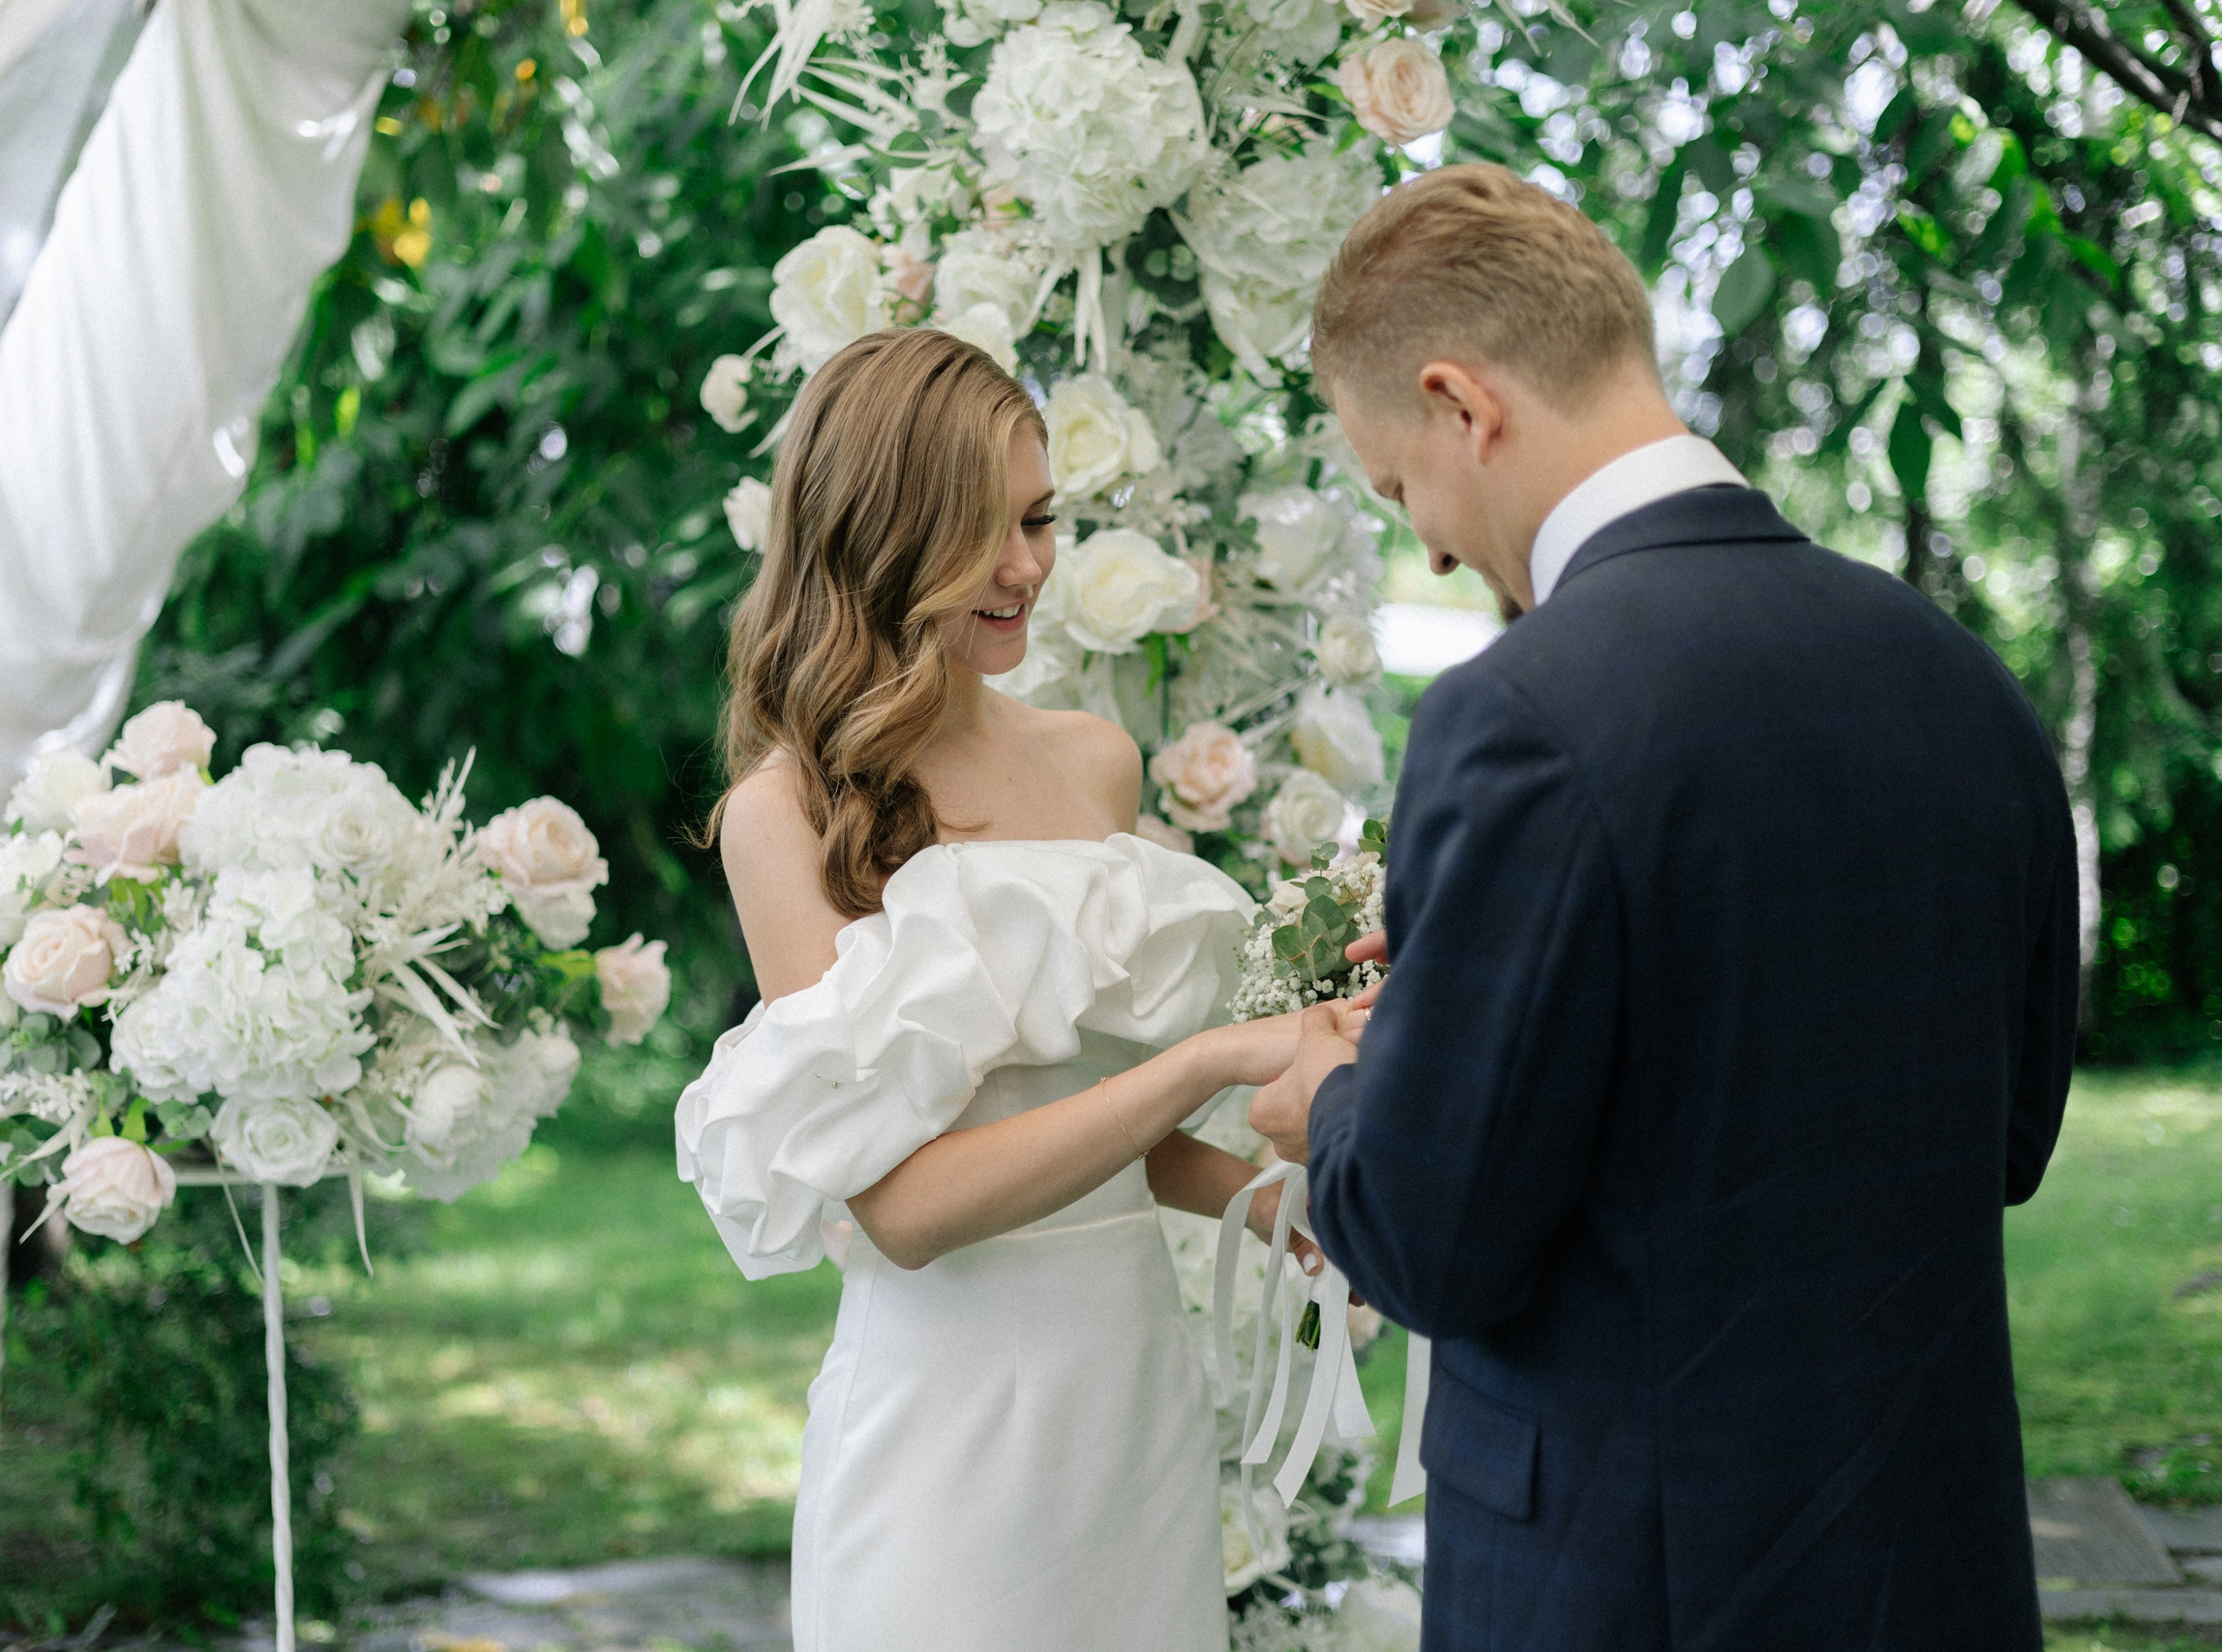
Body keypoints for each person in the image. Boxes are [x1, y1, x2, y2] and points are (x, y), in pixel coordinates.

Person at [1246, 165, 2078, 1650]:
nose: (1427, 542)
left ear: (1462, 405)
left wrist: (1343, 1089)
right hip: (1925, 1569)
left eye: (1399, 487)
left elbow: (1435, 1243)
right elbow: (1997, 1142)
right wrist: (1470, 999)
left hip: (1631, 1584)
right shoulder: (1958, 679)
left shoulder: (1519, 714)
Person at [675, 327, 1316, 1652]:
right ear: (883, 533)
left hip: (1129, 1403)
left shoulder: (1095, 762)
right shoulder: (788, 811)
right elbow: (908, 1207)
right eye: (985, 531)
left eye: (1041, 519)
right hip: (947, 1426)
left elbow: (1104, 1144)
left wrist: (1288, 1207)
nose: (1028, 566)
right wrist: (1207, 1064)